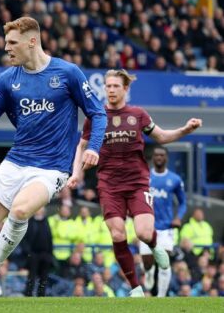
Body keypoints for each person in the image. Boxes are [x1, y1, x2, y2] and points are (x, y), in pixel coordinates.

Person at [0, 16, 106, 303]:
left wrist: (93, 147)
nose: (6, 48)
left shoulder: (67, 73)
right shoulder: (8, 80)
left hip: (52, 168)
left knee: (19, 211)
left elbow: (98, 112)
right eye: (6, 42)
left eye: (12, 42)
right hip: (15, 161)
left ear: (32, 41)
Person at [74, 69, 202, 297]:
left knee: (143, 233)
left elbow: (161, 136)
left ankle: (155, 245)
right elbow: (81, 147)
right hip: (109, 185)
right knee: (117, 235)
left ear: (125, 89)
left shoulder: (138, 114)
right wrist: (76, 174)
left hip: (137, 183)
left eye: (116, 86)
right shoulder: (96, 116)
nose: (111, 90)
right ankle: (135, 287)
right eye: (108, 86)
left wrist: (186, 129)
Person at [142, 145, 186, 297]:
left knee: (164, 263)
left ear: (166, 158)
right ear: (153, 158)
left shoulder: (175, 179)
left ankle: (161, 297)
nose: (159, 158)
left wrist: (178, 217)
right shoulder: (145, 177)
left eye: (162, 155)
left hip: (167, 228)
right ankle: (148, 272)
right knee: (147, 263)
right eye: (156, 155)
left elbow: (183, 202)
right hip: (147, 227)